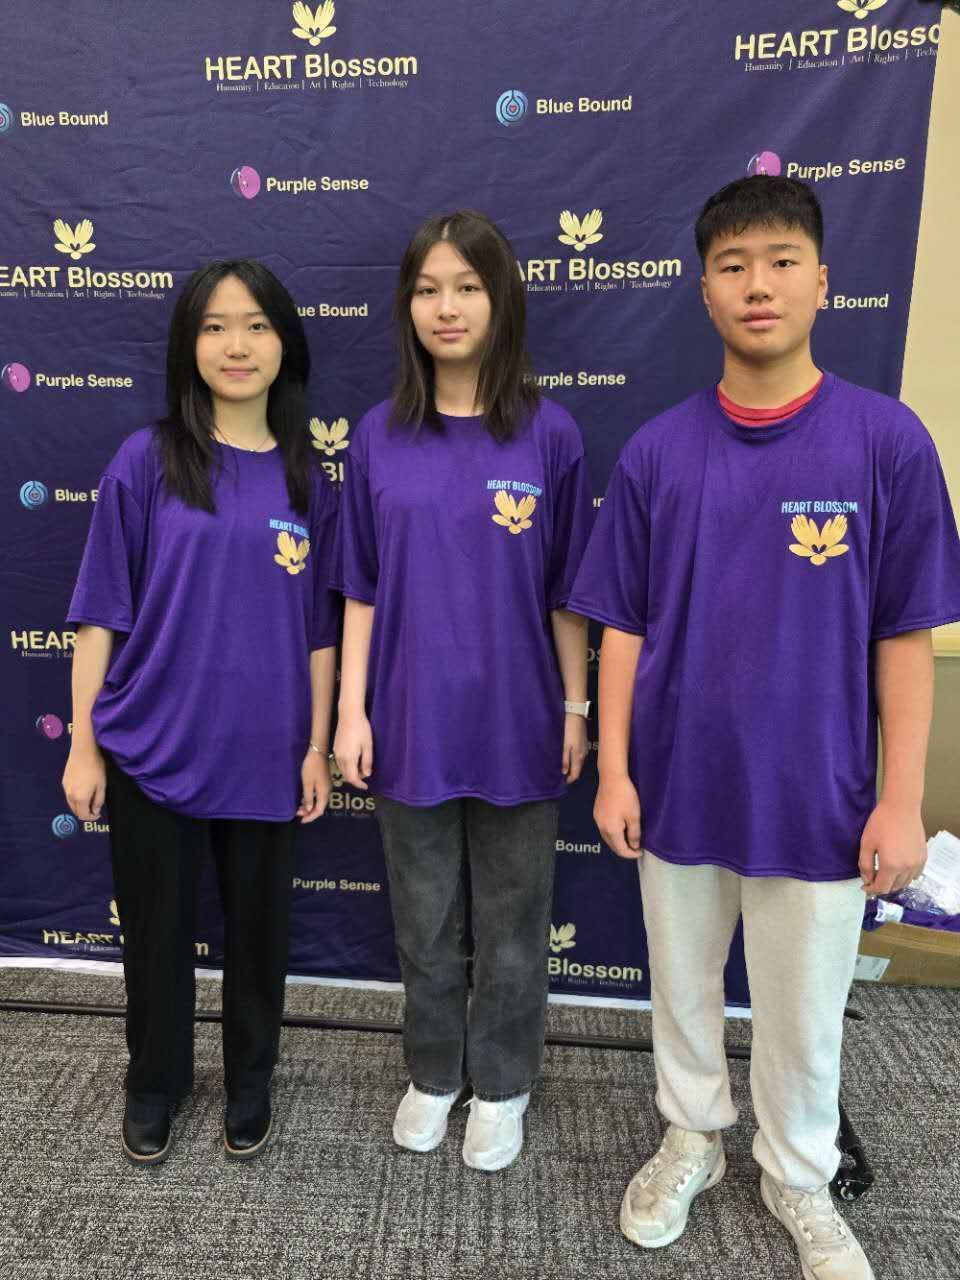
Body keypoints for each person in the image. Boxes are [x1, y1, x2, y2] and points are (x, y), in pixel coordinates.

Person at [566, 177, 960, 1278]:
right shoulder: (655, 453)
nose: (759, 284)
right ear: (703, 290)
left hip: (821, 792)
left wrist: (898, 794)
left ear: (823, 281)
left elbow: (905, 633)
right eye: (734, 264)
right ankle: (691, 1131)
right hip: (679, 783)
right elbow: (624, 629)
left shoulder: (887, 443)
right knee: (681, 983)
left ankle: (798, 1171)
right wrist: (612, 767)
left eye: (783, 259)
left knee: (804, 1006)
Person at [330, 210, 594, 1171]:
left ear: (501, 299)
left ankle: (506, 1082)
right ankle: (435, 1072)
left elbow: (571, 590)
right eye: (430, 287)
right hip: (406, 722)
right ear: (408, 305)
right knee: (424, 920)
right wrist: (350, 713)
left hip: (522, 722)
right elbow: (357, 585)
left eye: (468, 286)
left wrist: (576, 707)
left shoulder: (551, 435)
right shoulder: (377, 436)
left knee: (516, 925)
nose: (448, 306)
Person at [62, 259, 339, 1166]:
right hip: (151, 745)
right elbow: (101, 611)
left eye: (256, 324)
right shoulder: (146, 460)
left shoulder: (307, 478)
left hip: (267, 750)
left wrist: (317, 745)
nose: (236, 344)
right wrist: (85, 745)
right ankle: (155, 1084)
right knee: (156, 934)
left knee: (259, 935)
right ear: (190, 344)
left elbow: (320, 633)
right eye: (216, 325)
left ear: (283, 345)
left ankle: (251, 1078)